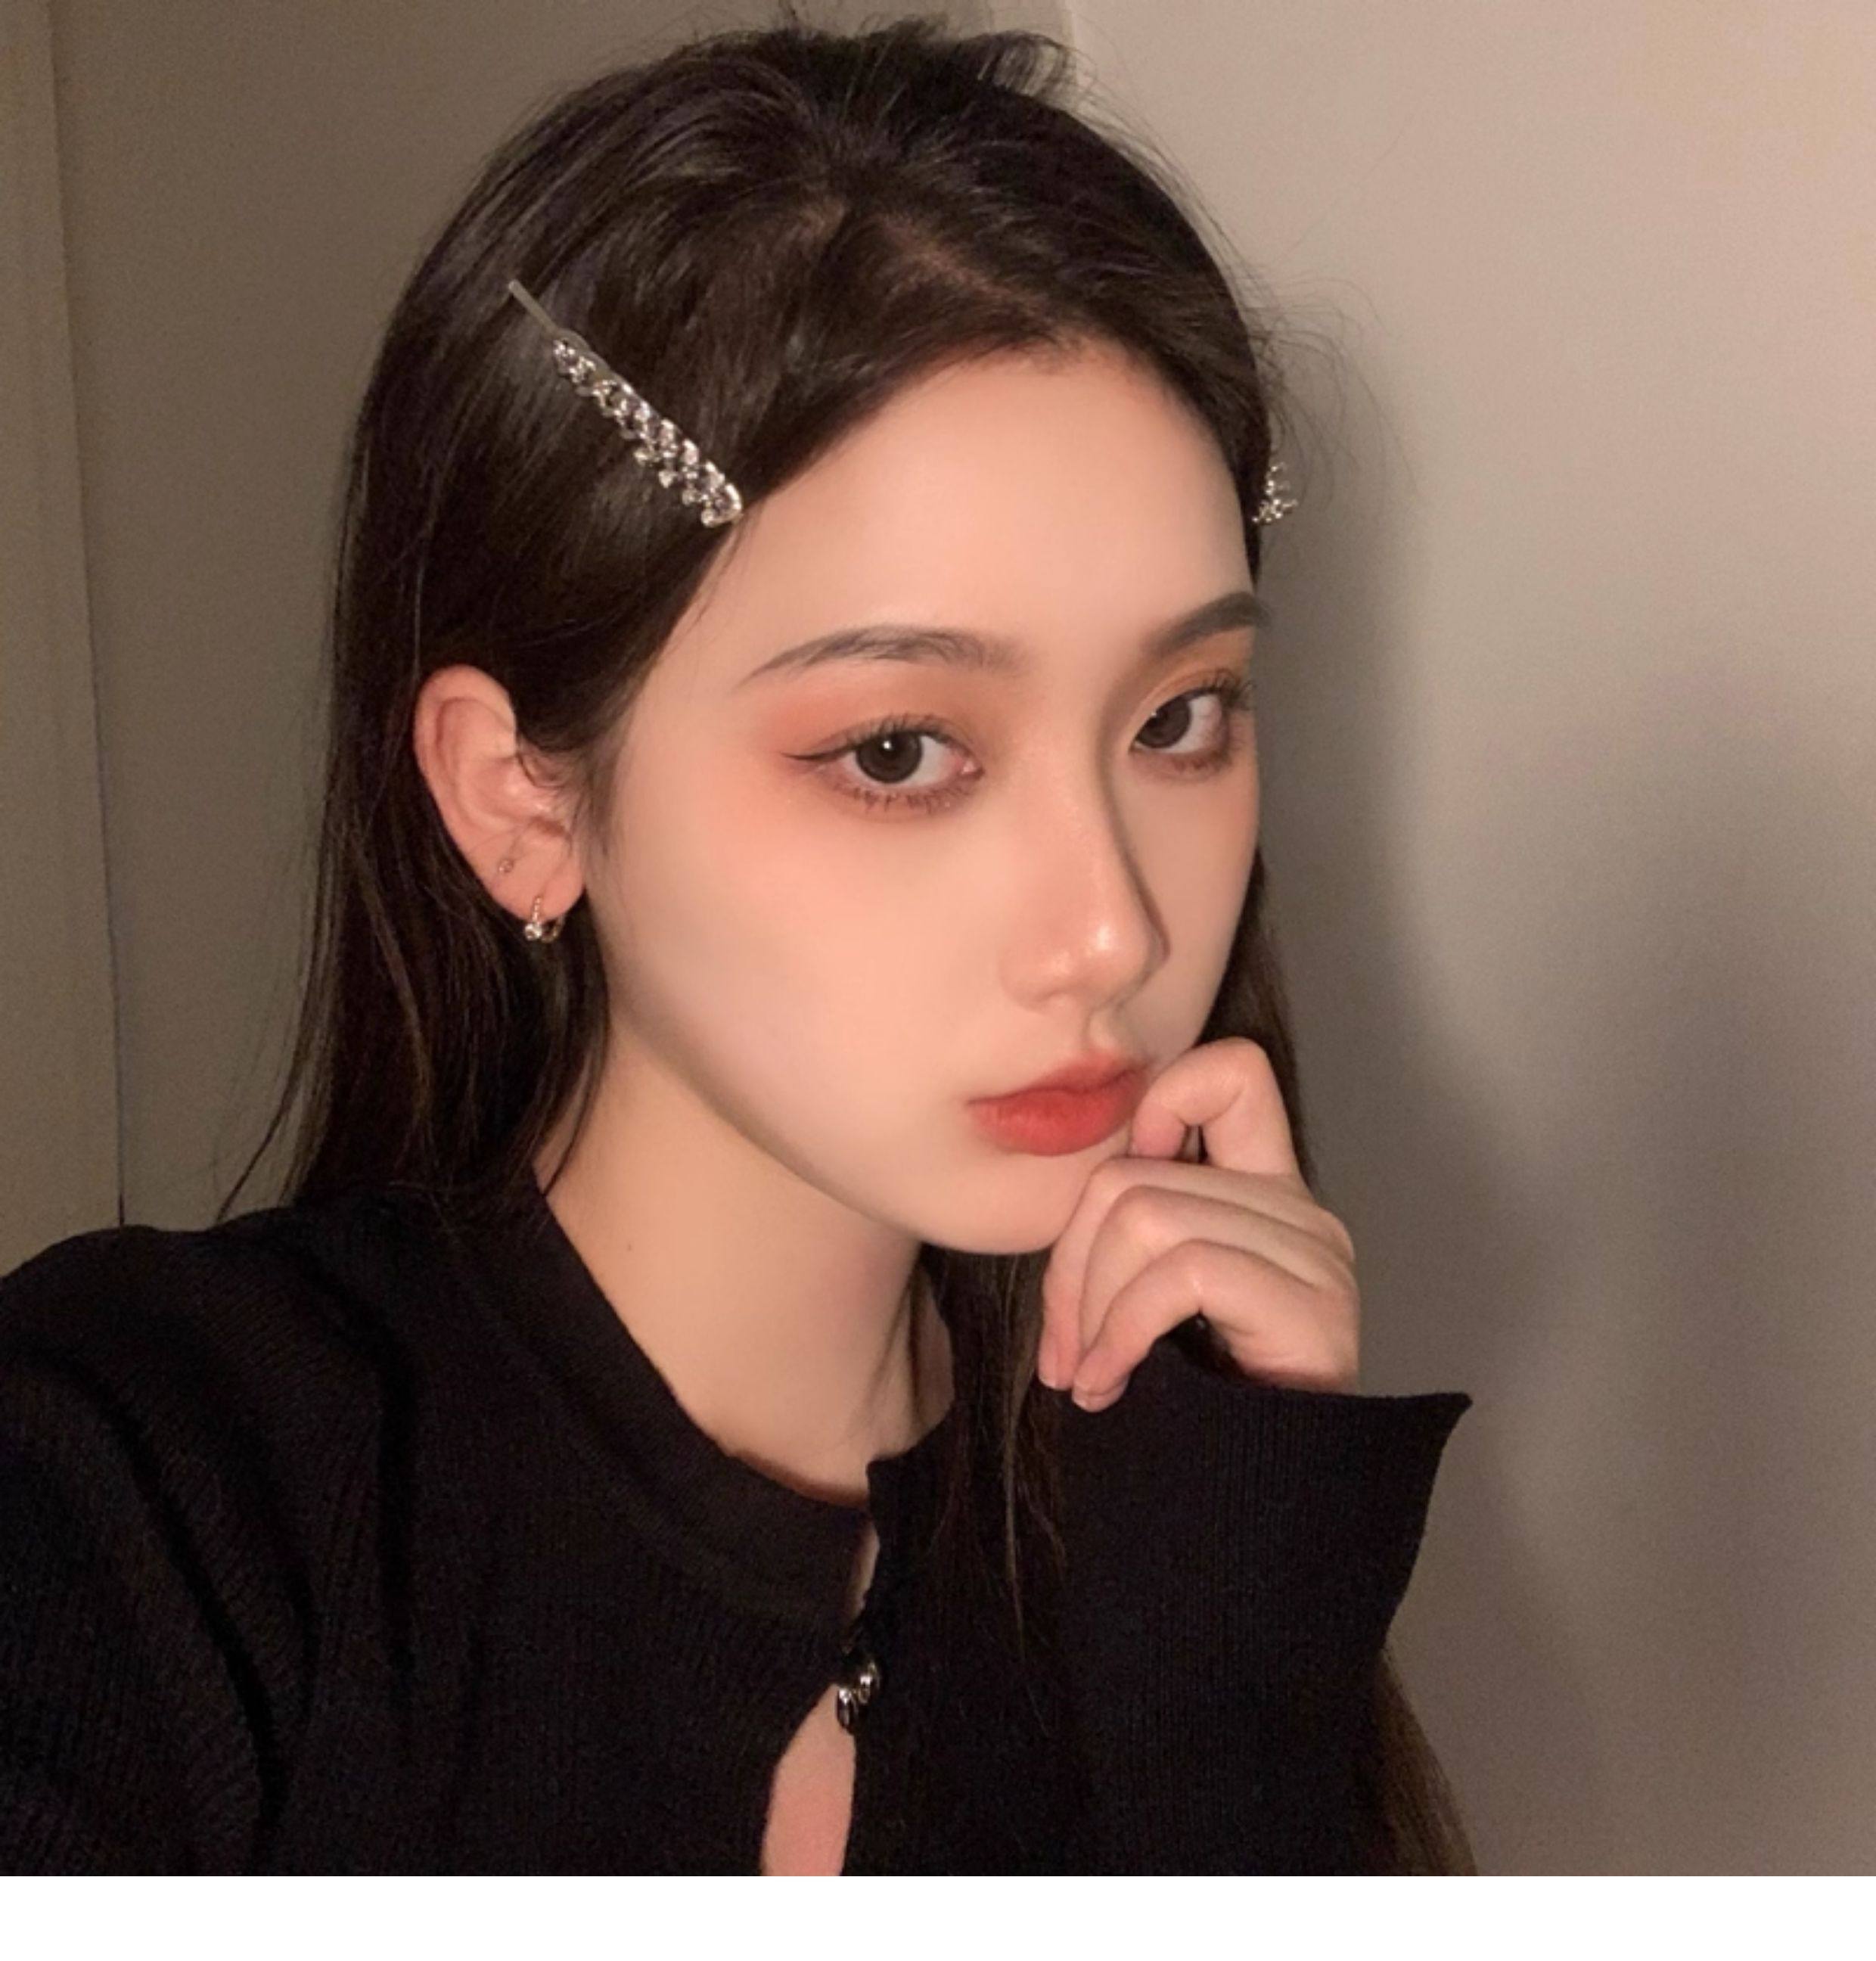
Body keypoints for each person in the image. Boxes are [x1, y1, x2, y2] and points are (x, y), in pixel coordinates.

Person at [0, 9, 1474, 1874]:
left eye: (1178, 717)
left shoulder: (1176, 1514)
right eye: (898, 750)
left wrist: (1235, 1654)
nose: (1112, 927)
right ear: (520, 800)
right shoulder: (131, 1489)